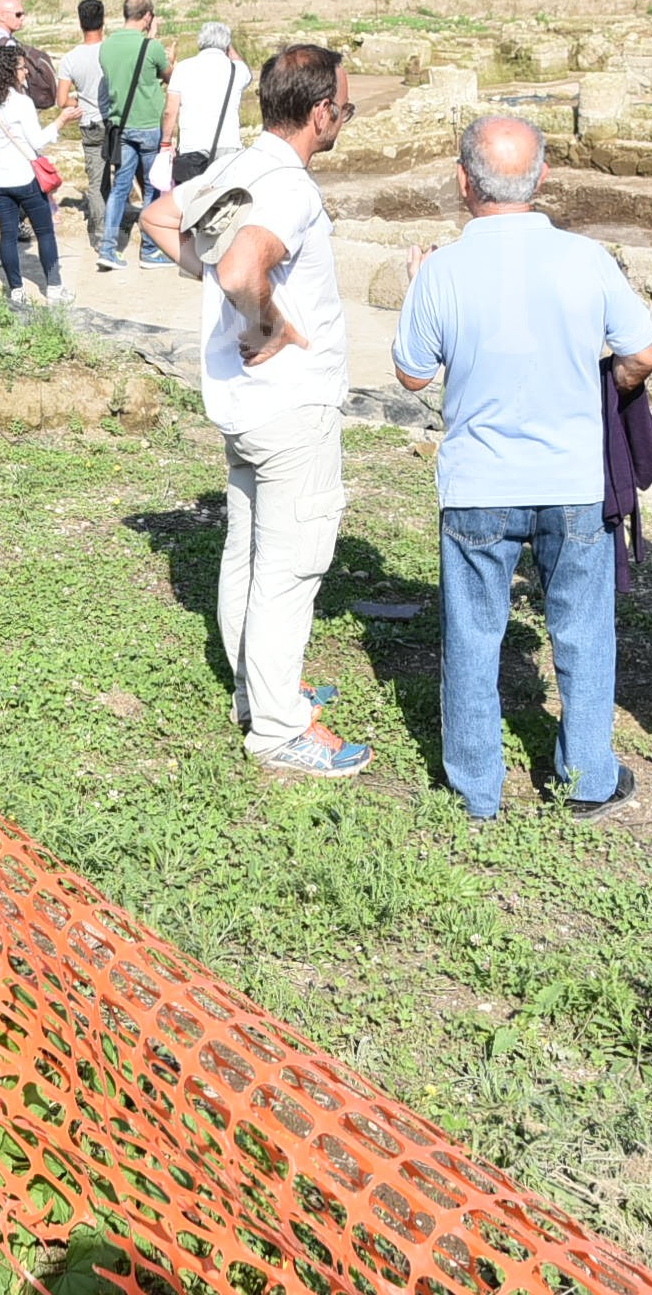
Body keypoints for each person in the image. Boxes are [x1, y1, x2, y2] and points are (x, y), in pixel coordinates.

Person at [393, 116, 652, 821]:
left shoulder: (443, 269)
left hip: (480, 484)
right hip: (572, 479)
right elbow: (645, 352)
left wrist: (416, 287)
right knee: (582, 632)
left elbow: (413, 376)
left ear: (462, 182)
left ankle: (477, 791)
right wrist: (612, 385)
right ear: (542, 177)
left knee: (473, 635)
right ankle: (588, 778)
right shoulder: (586, 259)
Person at [140, 45, 367, 778]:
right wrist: (264, 320)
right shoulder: (291, 188)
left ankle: (255, 690)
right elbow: (243, 267)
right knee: (291, 564)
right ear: (320, 112)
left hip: (240, 404)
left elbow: (158, 217)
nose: (345, 118)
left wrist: (212, 282)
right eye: (347, 106)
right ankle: (278, 728)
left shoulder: (239, 163)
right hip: (287, 403)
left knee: (249, 548)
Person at [0, 47, 70, 309]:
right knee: (45, 233)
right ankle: (54, 288)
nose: (25, 70)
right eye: (21, 67)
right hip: (25, 178)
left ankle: (16, 290)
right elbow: (38, 140)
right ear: (9, 72)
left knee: (7, 235)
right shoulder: (22, 103)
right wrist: (60, 121)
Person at [97, 0, 171, 269]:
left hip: (122, 126)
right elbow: (168, 76)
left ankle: (108, 248)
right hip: (150, 124)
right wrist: (155, 40)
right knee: (152, 188)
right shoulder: (151, 47)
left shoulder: (106, 46)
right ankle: (150, 250)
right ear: (148, 16)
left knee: (120, 187)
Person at [162, 21, 249, 185]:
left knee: (190, 203)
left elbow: (170, 111)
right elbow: (244, 68)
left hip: (192, 146)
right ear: (226, 44)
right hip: (228, 146)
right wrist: (229, 48)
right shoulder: (237, 70)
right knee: (226, 203)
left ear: (200, 41)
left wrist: (166, 143)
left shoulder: (183, 68)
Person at [58, 0, 111, 240]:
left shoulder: (70, 58)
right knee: (124, 177)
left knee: (97, 183)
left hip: (89, 123)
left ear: (80, 22)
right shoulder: (112, 51)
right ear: (103, 21)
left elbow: (61, 100)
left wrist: (81, 101)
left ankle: (100, 235)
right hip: (115, 121)